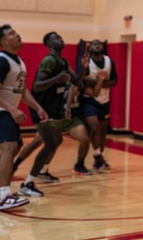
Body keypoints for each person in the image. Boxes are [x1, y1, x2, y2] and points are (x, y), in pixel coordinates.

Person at [0, 24, 48, 212]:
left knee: (13, 147)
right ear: (4, 41)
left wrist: (38, 108)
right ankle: (5, 196)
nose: (18, 35)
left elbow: (22, 91)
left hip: (3, 110)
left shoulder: (19, 62)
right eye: (12, 34)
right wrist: (13, 110)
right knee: (9, 147)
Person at [13, 32, 92, 196]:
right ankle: (27, 182)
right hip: (42, 108)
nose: (60, 39)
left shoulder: (63, 62)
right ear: (48, 44)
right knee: (49, 143)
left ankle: (34, 174)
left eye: (60, 37)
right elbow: (37, 86)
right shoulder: (49, 60)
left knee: (54, 142)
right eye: (55, 38)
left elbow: (76, 81)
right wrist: (56, 79)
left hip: (53, 108)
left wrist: (84, 68)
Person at [80, 39, 117, 172]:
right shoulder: (86, 62)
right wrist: (99, 81)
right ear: (90, 48)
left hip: (104, 99)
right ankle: (98, 156)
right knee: (94, 126)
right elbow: (83, 80)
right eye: (94, 44)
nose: (97, 45)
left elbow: (115, 81)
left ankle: (99, 157)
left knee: (102, 130)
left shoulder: (109, 61)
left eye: (99, 44)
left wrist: (99, 83)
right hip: (89, 99)